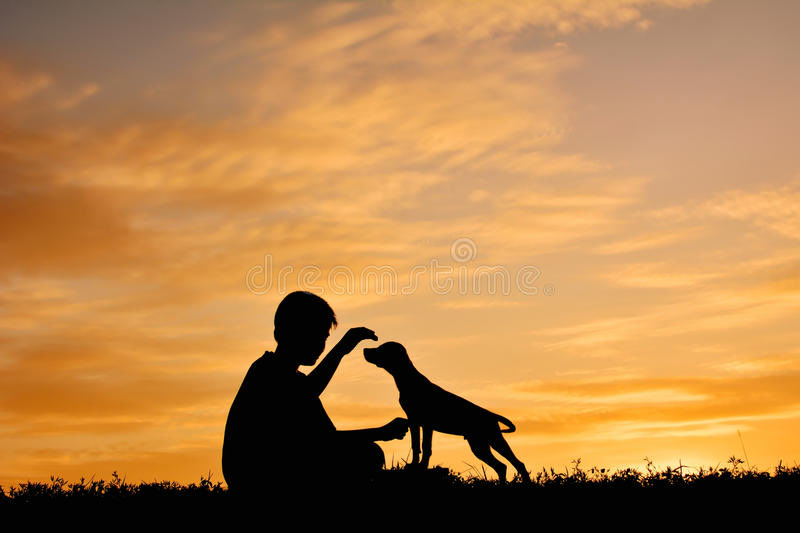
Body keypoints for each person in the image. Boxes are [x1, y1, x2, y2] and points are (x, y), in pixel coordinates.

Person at [222, 290, 407, 495]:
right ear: (287, 333)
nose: (320, 345)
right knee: (366, 455)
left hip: (282, 472)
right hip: (258, 478)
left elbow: (326, 438)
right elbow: (316, 429)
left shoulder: (297, 382)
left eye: (324, 337)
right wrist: (341, 350)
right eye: (314, 334)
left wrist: (380, 433)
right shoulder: (265, 372)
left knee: (369, 453)